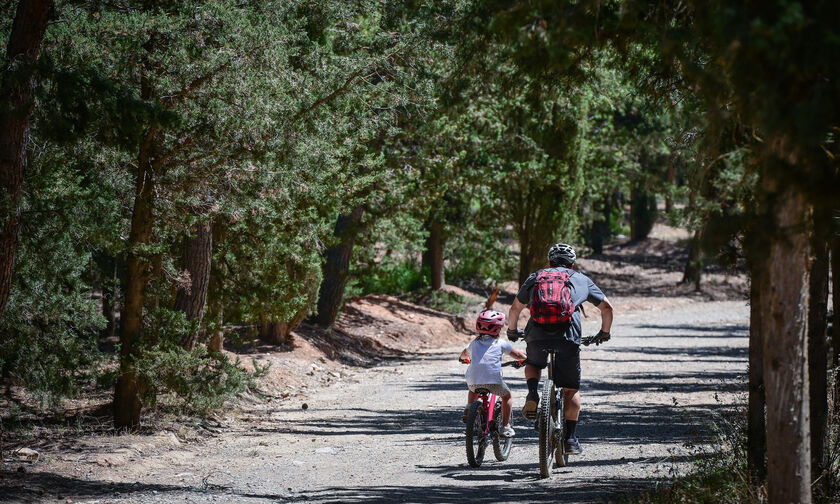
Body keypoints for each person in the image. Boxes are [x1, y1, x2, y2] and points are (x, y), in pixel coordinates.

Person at [506, 243, 613, 455]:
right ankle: (571, 439)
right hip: (568, 336)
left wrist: (512, 331)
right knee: (571, 388)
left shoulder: (536, 276)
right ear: (572, 264)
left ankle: (533, 394)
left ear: (549, 262)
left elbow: (515, 308)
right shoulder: (581, 279)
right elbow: (607, 308)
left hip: (536, 334)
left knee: (534, 363)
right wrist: (604, 332)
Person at [460, 309, 527, 438]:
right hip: (494, 382)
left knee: (473, 390)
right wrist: (526, 359)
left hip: (474, 381)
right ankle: (505, 427)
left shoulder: (473, 343)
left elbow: (463, 354)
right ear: (497, 329)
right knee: (507, 396)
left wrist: (464, 359)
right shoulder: (501, 343)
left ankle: (469, 410)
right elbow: (517, 355)